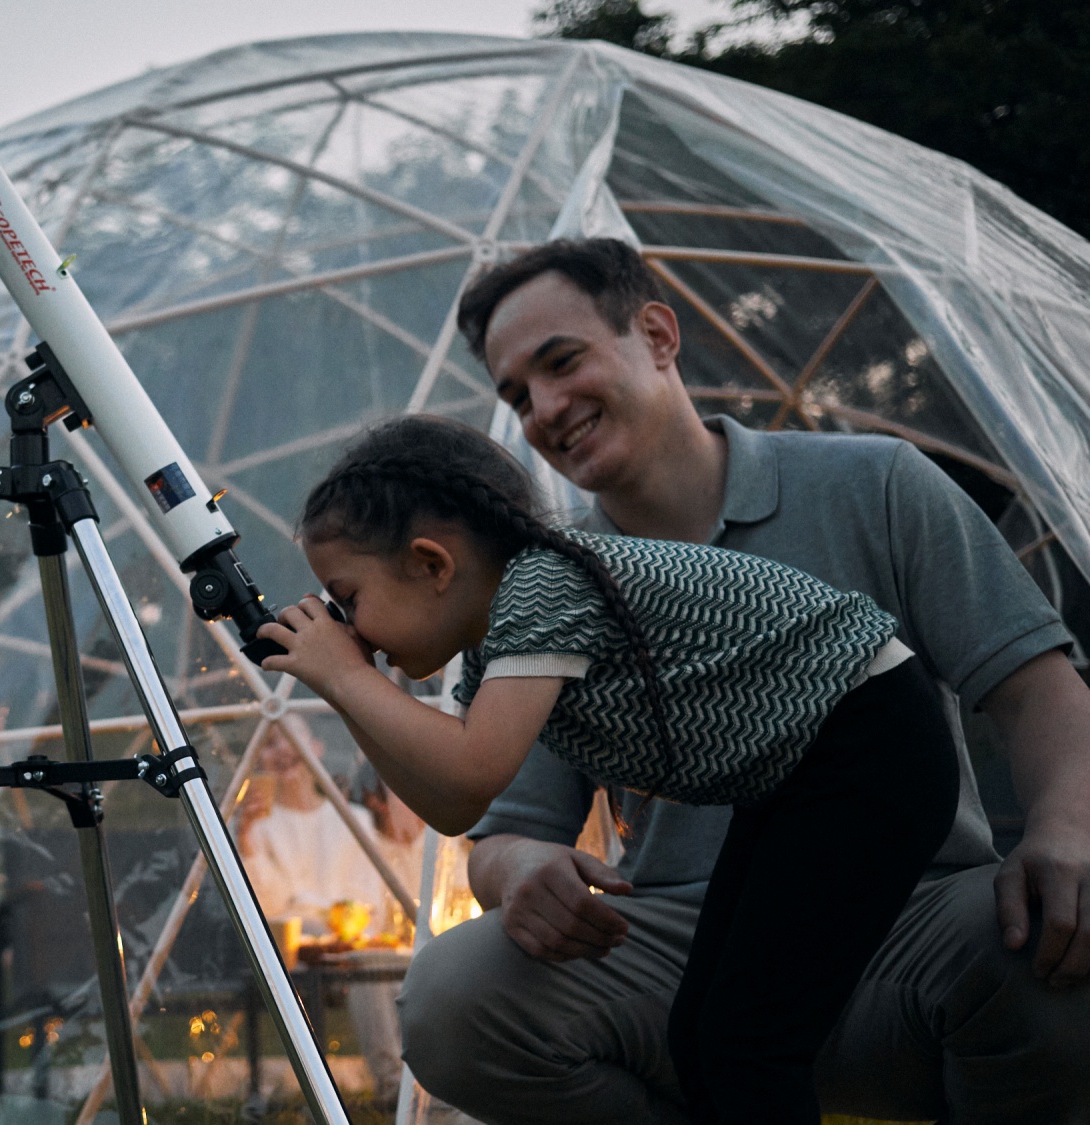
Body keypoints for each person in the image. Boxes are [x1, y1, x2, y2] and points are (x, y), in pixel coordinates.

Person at [398, 237, 1090, 1123]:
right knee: (456, 996)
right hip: (678, 946)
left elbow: (1038, 689)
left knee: (1051, 934)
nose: (544, 409)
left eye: (561, 362)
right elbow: (503, 830)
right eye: (516, 395)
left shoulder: (874, 484)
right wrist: (525, 867)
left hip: (907, 919)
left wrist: (1066, 831)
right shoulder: (541, 581)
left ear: (656, 334)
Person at [258, 411, 959, 1123]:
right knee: (703, 1033)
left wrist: (347, 679)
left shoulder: (542, 587)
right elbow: (454, 804)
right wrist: (347, 684)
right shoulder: (501, 637)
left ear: (433, 563)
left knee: (747, 1040)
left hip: (867, 740)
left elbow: (472, 769)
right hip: (811, 764)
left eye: (349, 599)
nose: (351, 632)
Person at [237, 717, 410, 1105]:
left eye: (288, 739)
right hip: (297, 954)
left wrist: (316, 910)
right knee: (349, 949)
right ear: (259, 761)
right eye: (268, 744)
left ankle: (398, 1087)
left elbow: (368, 902)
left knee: (373, 963)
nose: (280, 750)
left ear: (314, 748)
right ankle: (395, 1088)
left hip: (352, 949)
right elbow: (267, 910)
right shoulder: (260, 830)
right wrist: (245, 840)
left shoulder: (355, 821)